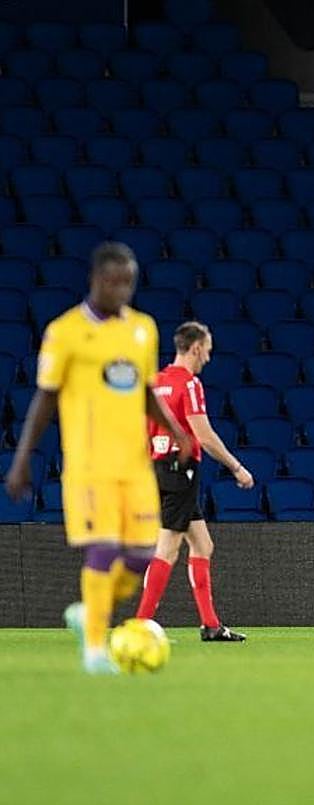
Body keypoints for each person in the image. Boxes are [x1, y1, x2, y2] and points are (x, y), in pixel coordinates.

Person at [2, 242, 192, 674]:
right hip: (90, 466)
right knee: (103, 550)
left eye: (129, 282)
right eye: (114, 282)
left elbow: (144, 391)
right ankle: (94, 651)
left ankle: (89, 611)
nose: (122, 290)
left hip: (135, 465)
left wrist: (176, 429)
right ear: (96, 280)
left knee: (144, 557)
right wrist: (23, 457)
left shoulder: (143, 329)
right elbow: (45, 398)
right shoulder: (65, 331)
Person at [136, 321, 254, 641]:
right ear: (196, 347)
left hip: (158, 468)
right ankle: (140, 625)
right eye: (208, 351)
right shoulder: (189, 384)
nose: (208, 359)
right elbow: (203, 435)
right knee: (168, 548)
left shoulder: (156, 382)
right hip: (180, 469)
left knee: (203, 544)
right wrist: (236, 467)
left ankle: (211, 625)